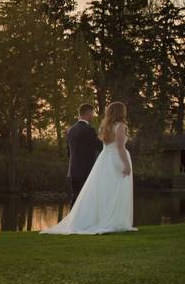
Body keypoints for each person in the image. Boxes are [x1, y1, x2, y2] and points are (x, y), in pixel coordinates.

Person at [41, 101, 136, 235]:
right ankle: (110, 220)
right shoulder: (115, 127)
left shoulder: (77, 129)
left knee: (83, 197)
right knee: (112, 192)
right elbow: (118, 147)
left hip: (81, 167)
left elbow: (70, 151)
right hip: (108, 162)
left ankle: (78, 221)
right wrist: (126, 163)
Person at [65, 103, 101, 205]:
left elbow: (68, 152)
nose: (93, 116)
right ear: (88, 113)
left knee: (75, 198)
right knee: (85, 202)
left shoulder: (71, 130)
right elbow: (100, 147)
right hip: (85, 172)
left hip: (72, 172)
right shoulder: (89, 130)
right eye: (92, 113)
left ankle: (72, 220)